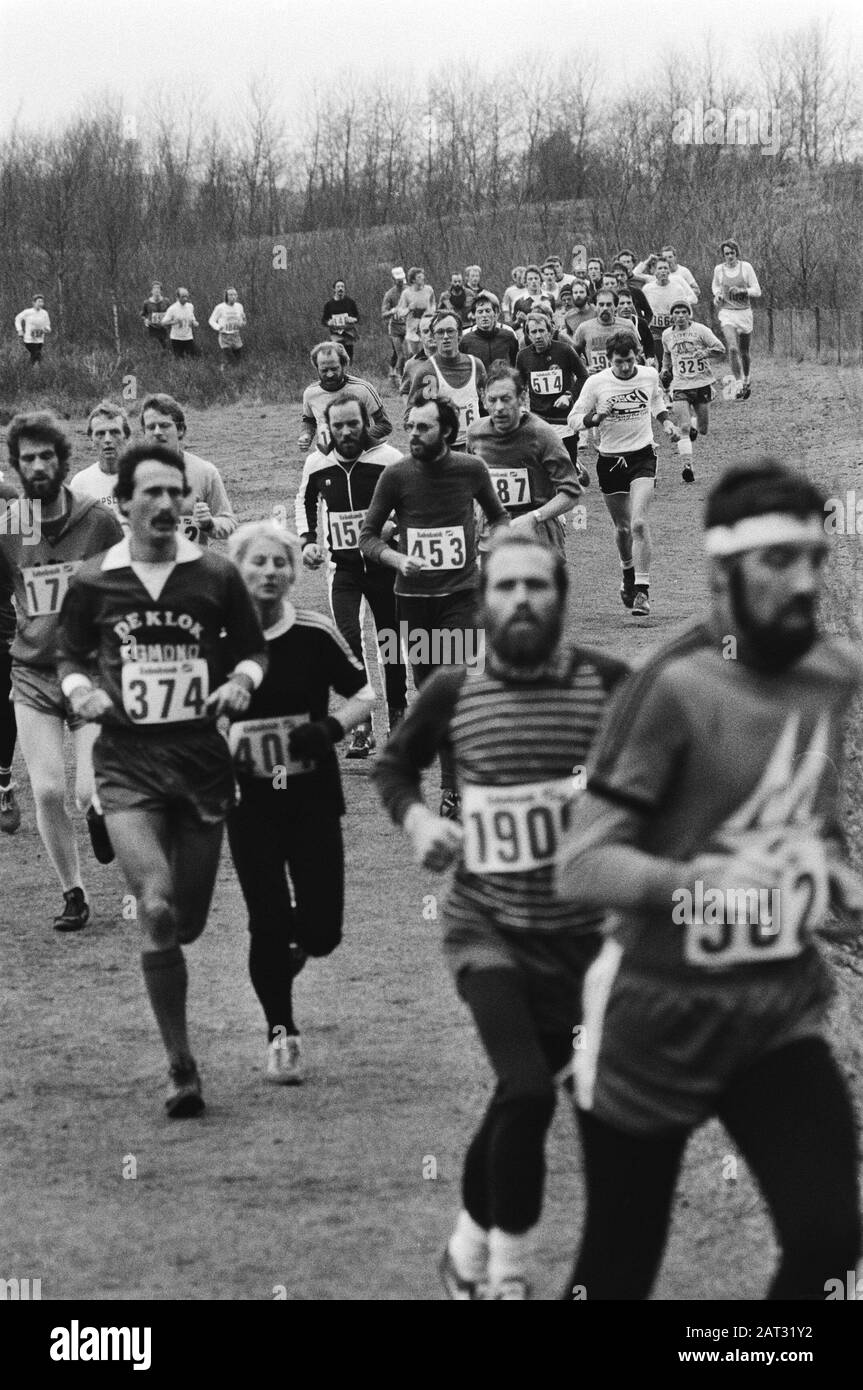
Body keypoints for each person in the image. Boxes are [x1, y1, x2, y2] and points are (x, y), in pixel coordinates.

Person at [556, 460, 863, 1302]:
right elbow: (583, 863)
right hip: (654, 1013)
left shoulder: (830, 676)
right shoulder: (674, 687)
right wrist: (711, 889)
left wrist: (835, 889)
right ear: (721, 572)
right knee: (618, 1270)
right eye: (776, 562)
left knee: (830, 1238)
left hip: (773, 1011)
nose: (803, 581)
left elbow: (809, 834)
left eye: (813, 556)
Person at [374, 531, 629, 1299]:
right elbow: (393, 765)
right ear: (483, 602)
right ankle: (509, 1278)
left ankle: (464, 1249)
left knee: (520, 1094)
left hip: (580, 942)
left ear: (560, 596)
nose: (520, 599)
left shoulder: (607, 685)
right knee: (527, 1091)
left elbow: (661, 780)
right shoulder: (453, 691)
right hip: (485, 927)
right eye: (505, 586)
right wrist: (420, 823)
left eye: (536, 586)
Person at [56, 442, 268, 1118]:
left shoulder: (214, 575)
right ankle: (180, 1065)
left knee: (190, 920)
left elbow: (253, 649)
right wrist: (81, 689)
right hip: (127, 765)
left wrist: (240, 680)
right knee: (155, 907)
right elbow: (70, 655)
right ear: (123, 504)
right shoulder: (94, 579)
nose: (166, 503)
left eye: (176, 491)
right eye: (151, 492)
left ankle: (174, 988)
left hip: (202, 767)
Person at [225, 521, 376, 1085]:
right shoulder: (218, 639)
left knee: (322, 931)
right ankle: (280, 1034)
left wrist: (332, 729)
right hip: (249, 803)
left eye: (279, 563)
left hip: (312, 796)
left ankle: (289, 949)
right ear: (237, 569)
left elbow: (364, 694)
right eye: (257, 562)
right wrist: (223, 743)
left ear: (293, 571)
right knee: (266, 919)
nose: (269, 572)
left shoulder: (314, 632)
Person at [0, 412, 123, 929]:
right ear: (15, 467)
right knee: (47, 790)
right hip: (31, 672)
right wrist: (18, 639)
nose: (37, 465)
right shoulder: (9, 527)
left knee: (86, 792)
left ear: (62, 459)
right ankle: (72, 892)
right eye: (27, 457)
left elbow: (124, 592)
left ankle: (100, 813)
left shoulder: (98, 519)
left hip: (90, 671)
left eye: (46, 455)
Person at [359, 396, 509, 819]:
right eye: (410, 427)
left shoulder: (471, 469)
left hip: (461, 596)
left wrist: (492, 545)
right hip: (414, 601)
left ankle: (454, 788)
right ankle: (453, 780)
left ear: (447, 431)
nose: (413, 436)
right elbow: (367, 537)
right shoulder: (396, 474)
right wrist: (396, 558)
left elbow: (499, 517)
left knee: (459, 685)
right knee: (430, 693)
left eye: (423, 428)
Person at [294, 390, 406, 757]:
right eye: (337, 425)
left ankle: (398, 721)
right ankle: (362, 728)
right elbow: (305, 501)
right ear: (328, 426)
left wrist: (395, 529)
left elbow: (411, 502)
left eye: (352, 423)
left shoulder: (389, 459)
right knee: (348, 640)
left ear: (366, 424)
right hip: (343, 569)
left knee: (390, 642)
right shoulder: (317, 463)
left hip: (384, 566)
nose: (345, 431)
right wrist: (308, 540)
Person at [569, 331, 681, 616]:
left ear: (637, 356)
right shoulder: (596, 383)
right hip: (609, 460)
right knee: (622, 529)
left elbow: (655, 400)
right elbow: (573, 419)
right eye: (619, 362)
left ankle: (642, 592)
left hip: (643, 455)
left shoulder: (648, 374)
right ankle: (628, 576)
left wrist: (666, 421)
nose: (626, 367)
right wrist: (596, 417)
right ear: (609, 361)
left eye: (630, 360)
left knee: (639, 523)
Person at [467, 364, 584, 556]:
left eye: (506, 399)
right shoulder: (476, 433)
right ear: (483, 400)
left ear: (521, 398)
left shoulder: (542, 434)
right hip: (491, 535)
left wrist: (534, 517)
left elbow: (571, 493)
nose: (499, 408)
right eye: (492, 400)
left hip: (536, 535)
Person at [140, 394, 237, 547]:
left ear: (180, 430)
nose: (157, 432)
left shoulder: (204, 472)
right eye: (151, 427)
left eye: (164, 425)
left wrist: (209, 524)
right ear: (144, 433)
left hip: (192, 568)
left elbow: (229, 522)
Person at [516, 310, 589, 483]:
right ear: (528, 334)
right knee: (544, 466)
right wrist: (520, 406)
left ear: (550, 331)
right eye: (533, 332)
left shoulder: (564, 350)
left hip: (564, 418)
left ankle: (576, 467)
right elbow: (518, 386)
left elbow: (583, 377)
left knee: (568, 468)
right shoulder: (523, 356)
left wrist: (569, 395)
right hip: (539, 418)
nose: (538, 336)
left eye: (542, 331)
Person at [660, 301, 726, 482]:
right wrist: (665, 369)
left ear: (689, 314)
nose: (680, 316)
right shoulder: (667, 334)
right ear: (671, 315)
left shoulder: (701, 330)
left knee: (703, 429)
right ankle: (687, 466)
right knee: (683, 427)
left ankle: (695, 427)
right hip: (680, 385)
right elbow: (666, 354)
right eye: (676, 312)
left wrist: (705, 352)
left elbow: (720, 349)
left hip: (701, 383)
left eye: (683, 312)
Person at [402, 311, 487, 450]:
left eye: (450, 331)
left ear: (459, 334)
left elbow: (487, 404)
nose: (446, 337)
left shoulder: (476, 365)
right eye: (440, 332)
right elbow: (410, 414)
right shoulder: (426, 371)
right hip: (443, 448)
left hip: (475, 445)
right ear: (434, 337)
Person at [299, 342, 392, 455]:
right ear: (317, 368)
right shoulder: (310, 393)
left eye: (334, 369)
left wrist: (357, 438)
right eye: (324, 370)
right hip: (327, 458)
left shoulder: (362, 389)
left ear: (343, 365)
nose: (329, 374)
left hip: (360, 456)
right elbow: (308, 420)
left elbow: (384, 424)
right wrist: (306, 435)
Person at [712, 239, 761, 399]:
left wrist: (743, 291)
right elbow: (716, 287)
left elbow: (757, 291)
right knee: (732, 348)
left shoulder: (745, 267)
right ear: (723, 255)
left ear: (736, 253)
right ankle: (738, 383)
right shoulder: (719, 269)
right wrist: (718, 296)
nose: (730, 256)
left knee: (744, 351)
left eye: (732, 253)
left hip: (744, 313)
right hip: (727, 313)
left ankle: (746, 378)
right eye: (726, 254)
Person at [70, 400, 132, 520]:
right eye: (100, 434)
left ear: (127, 437)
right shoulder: (80, 483)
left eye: (114, 432)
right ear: (91, 440)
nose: (107, 439)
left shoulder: (141, 478)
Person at [0, 471, 20, 832]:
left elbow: (25, 562)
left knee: (5, 703)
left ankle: (4, 783)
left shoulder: (10, 496)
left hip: (1, 622)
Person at [642, 257, 697, 362]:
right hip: (655, 329)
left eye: (665, 268)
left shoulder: (677, 288)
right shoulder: (647, 289)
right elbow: (643, 310)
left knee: (676, 360)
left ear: (669, 271)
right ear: (654, 271)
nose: (663, 271)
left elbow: (687, 310)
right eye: (660, 268)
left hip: (673, 328)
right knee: (661, 359)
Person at [459, 293, 519, 373]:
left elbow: (514, 364)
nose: (484, 315)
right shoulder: (466, 340)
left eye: (488, 311)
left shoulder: (508, 336)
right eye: (480, 312)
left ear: (495, 314)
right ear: (474, 315)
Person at [397, 267, 436, 358]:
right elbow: (400, 312)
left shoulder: (429, 290)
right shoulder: (406, 293)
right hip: (413, 330)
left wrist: (431, 312)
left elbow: (433, 303)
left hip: (426, 327)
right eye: (419, 277)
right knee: (415, 357)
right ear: (413, 280)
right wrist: (409, 309)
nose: (422, 278)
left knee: (429, 354)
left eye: (422, 276)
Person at [614, 288, 657, 365]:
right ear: (615, 306)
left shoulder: (641, 323)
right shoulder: (612, 323)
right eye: (622, 303)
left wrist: (650, 359)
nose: (626, 306)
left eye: (629, 303)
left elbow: (649, 344)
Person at [321, 280, 360, 363]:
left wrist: (354, 319)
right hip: (336, 333)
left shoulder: (350, 302)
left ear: (345, 289)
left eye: (342, 287)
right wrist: (328, 322)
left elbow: (358, 316)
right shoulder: (329, 304)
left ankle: (349, 371)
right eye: (338, 287)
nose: (340, 289)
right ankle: (339, 371)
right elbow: (323, 320)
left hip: (349, 332)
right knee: (337, 354)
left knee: (349, 355)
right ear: (334, 289)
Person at [381, 267, 408, 383]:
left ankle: (400, 374)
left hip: (408, 327)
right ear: (393, 279)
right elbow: (383, 314)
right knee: (400, 355)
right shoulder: (389, 294)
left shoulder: (409, 291)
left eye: (402, 279)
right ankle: (397, 376)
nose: (400, 281)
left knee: (409, 354)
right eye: (398, 279)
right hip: (395, 329)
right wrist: (392, 311)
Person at [208, 287, 247, 363]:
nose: (233, 297)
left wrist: (243, 322)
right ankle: (224, 371)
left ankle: (225, 369)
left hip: (236, 336)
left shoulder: (239, 306)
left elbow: (241, 322)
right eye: (231, 295)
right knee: (232, 361)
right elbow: (211, 320)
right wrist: (218, 327)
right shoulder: (220, 307)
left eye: (235, 295)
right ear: (226, 296)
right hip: (224, 336)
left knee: (238, 361)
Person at [161, 288, 199, 358]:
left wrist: (194, 322)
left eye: (186, 296)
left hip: (188, 338)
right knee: (179, 360)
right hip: (176, 339)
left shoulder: (190, 306)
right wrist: (174, 322)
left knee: (193, 359)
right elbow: (163, 323)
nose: (185, 299)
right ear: (177, 298)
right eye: (183, 297)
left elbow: (192, 317)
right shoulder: (172, 309)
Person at [15, 295, 51, 365]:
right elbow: (17, 319)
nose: (41, 303)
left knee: (34, 357)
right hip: (29, 339)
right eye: (39, 301)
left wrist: (47, 329)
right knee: (37, 355)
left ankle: (28, 371)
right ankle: (42, 370)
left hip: (40, 339)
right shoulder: (28, 312)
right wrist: (19, 330)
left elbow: (47, 324)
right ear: (33, 303)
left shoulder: (44, 313)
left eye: (42, 302)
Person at [141, 282, 170, 350]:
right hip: (152, 329)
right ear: (151, 291)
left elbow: (171, 313)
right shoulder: (147, 303)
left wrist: (169, 320)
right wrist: (145, 320)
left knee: (167, 347)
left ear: (161, 291)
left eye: (158, 288)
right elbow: (143, 315)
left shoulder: (166, 301)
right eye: (154, 288)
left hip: (165, 328)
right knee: (156, 348)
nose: (156, 290)